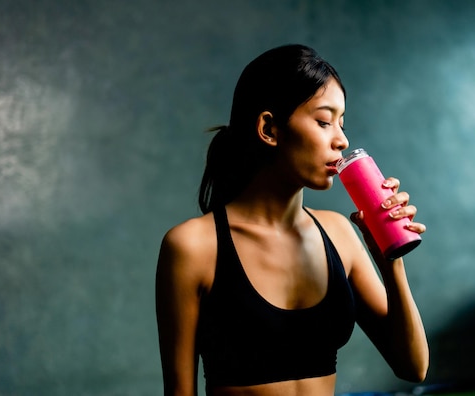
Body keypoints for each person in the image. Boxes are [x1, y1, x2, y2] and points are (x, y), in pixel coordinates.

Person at [155, 44, 429, 396]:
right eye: (324, 121)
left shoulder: (339, 234)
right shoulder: (193, 247)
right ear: (269, 129)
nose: (342, 140)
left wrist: (389, 256)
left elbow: (413, 367)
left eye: (342, 123)